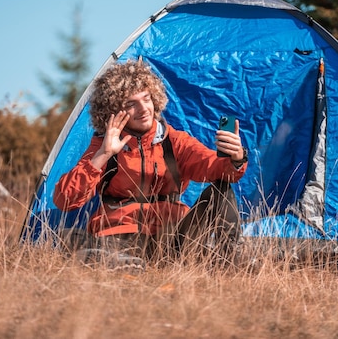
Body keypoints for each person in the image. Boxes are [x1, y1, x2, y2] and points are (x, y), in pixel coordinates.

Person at [53, 59, 247, 267]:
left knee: (221, 190)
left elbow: (216, 168)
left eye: (146, 99)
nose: (143, 108)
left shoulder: (174, 141)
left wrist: (235, 158)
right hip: (120, 236)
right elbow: (65, 200)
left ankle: (232, 263)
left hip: (174, 236)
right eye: (131, 104)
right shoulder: (103, 145)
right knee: (69, 237)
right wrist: (103, 154)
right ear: (113, 111)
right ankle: (125, 263)